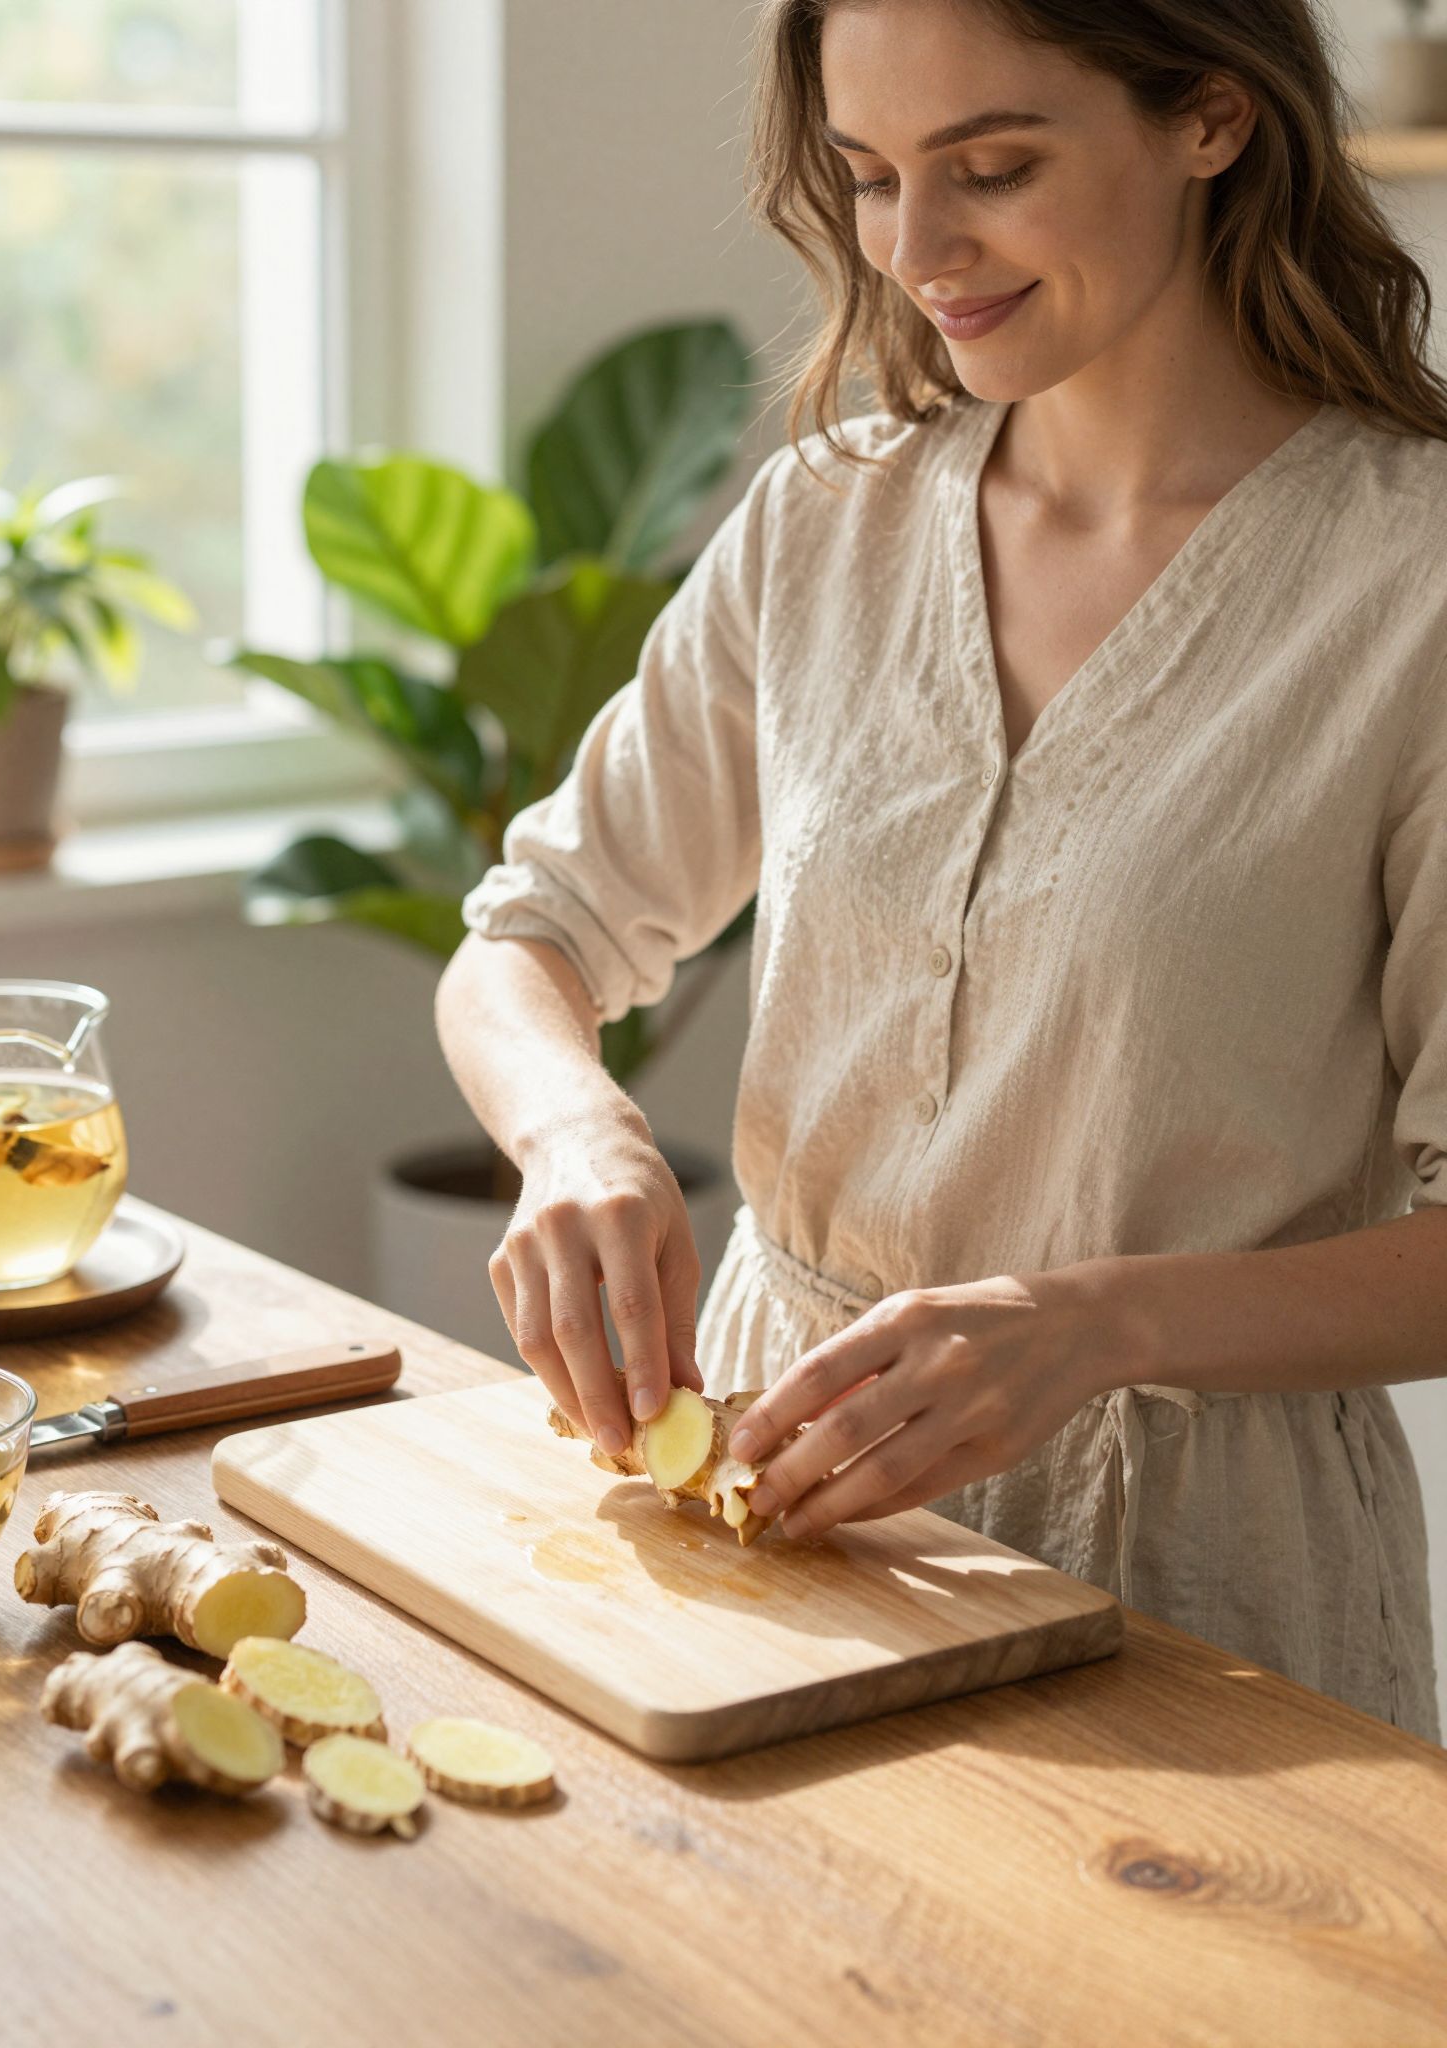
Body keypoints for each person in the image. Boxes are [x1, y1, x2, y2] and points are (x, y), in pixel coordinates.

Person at [436, 0, 1447, 1742]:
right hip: (766, 1513)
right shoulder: (824, 522)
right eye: (871, 176)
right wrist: (576, 1133)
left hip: (1196, 1585)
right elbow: (528, 938)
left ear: (1213, 117)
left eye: (992, 168)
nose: (915, 250)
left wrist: (1093, 1324)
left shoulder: (1412, 584)